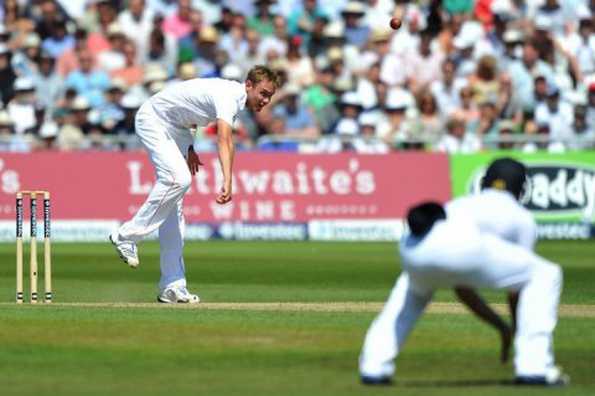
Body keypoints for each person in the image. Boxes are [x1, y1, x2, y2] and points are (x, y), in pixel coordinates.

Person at [359, 158, 568, 386]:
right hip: (460, 245)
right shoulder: (522, 218)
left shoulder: (461, 204)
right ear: (521, 188)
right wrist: (516, 333)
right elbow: (516, 291)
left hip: (413, 244)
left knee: (412, 293)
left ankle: (374, 367)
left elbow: (461, 286)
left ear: (484, 183)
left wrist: (500, 327)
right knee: (545, 274)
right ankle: (534, 367)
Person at [109, 65, 281, 303]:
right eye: (263, 93)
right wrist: (228, 180)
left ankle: (172, 285)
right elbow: (224, 139)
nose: (265, 100)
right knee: (178, 179)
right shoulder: (229, 96)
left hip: (176, 128)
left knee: (174, 207)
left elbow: (187, 112)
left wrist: (188, 147)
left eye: (269, 96)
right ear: (249, 85)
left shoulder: (232, 98)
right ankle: (127, 236)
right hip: (153, 119)